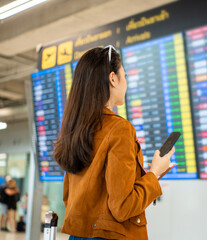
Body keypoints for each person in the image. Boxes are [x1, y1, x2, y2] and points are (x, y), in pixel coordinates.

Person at [53, 46, 175, 240]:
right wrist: (155, 173)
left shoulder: (75, 130)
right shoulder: (120, 129)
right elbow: (122, 208)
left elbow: (73, 198)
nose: (126, 83)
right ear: (112, 78)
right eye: (124, 76)